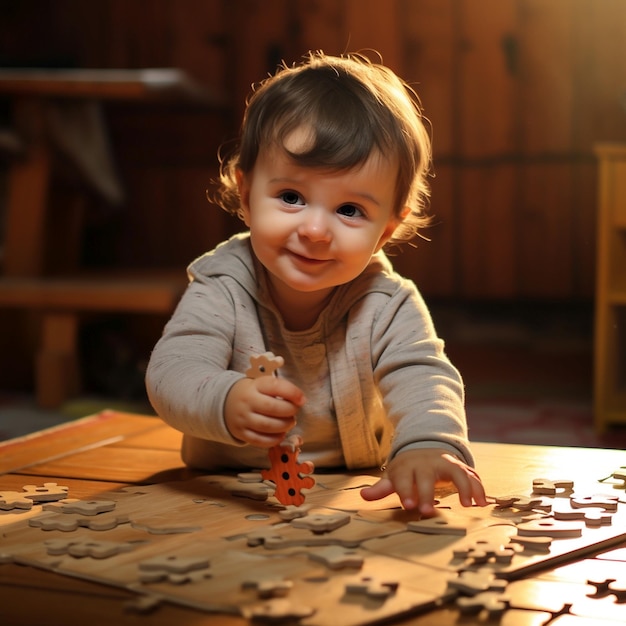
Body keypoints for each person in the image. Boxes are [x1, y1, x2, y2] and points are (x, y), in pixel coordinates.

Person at [145, 51, 486, 515]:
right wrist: (224, 400)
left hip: (353, 488)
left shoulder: (388, 302)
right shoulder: (221, 284)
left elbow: (422, 374)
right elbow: (172, 372)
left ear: (386, 228)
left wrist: (426, 443)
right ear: (246, 196)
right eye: (291, 197)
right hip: (222, 489)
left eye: (349, 210)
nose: (315, 230)